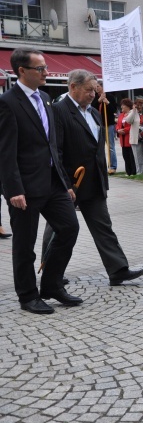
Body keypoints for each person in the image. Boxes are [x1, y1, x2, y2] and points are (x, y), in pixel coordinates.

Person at [45, 69, 143, 287]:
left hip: (94, 181)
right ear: (73, 87)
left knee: (103, 226)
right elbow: (56, 151)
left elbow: (96, 147)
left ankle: (118, 269)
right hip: (70, 182)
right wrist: (64, 184)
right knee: (58, 229)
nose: (93, 94)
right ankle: (51, 273)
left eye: (95, 90)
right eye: (89, 89)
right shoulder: (58, 111)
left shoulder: (93, 112)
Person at [0, 47, 80, 314]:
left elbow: (52, 145)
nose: (47, 72)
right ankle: (27, 295)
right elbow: (5, 151)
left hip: (53, 183)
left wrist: (65, 181)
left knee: (69, 227)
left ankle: (52, 285)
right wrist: (13, 189)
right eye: (41, 68)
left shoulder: (46, 98)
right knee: (25, 244)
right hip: (24, 188)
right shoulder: (8, 102)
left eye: (45, 67)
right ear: (22, 71)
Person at [92, 81, 118, 174]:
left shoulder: (110, 96)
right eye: (96, 86)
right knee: (99, 146)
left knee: (110, 146)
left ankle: (112, 166)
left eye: (98, 86)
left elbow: (114, 110)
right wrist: (99, 100)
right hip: (98, 124)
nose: (96, 88)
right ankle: (101, 166)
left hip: (108, 124)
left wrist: (107, 102)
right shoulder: (94, 97)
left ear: (102, 87)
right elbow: (91, 108)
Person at [115, 98, 137, 176]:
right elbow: (118, 124)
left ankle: (133, 171)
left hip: (129, 137)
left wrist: (124, 130)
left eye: (123, 106)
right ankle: (128, 171)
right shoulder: (121, 115)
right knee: (125, 156)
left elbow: (132, 125)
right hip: (122, 139)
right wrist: (118, 130)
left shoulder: (131, 114)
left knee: (131, 156)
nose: (122, 107)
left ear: (128, 106)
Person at [128, 96, 143, 175]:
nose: (140, 107)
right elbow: (128, 121)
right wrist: (134, 110)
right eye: (138, 105)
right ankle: (140, 171)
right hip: (136, 137)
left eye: (141, 105)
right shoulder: (132, 112)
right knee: (138, 156)